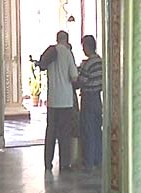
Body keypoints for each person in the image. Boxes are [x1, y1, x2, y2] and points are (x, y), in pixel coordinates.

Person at [44, 31, 79, 171]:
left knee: (51, 131)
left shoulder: (51, 53)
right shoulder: (67, 53)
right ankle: (64, 163)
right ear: (66, 40)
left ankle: (48, 162)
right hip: (65, 100)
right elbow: (74, 76)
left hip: (52, 100)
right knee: (64, 133)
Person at [77, 35, 103, 170]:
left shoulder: (88, 64)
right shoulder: (100, 62)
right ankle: (99, 159)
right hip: (98, 98)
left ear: (87, 47)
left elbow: (81, 81)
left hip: (88, 98)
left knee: (88, 130)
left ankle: (89, 162)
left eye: (83, 47)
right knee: (98, 129)